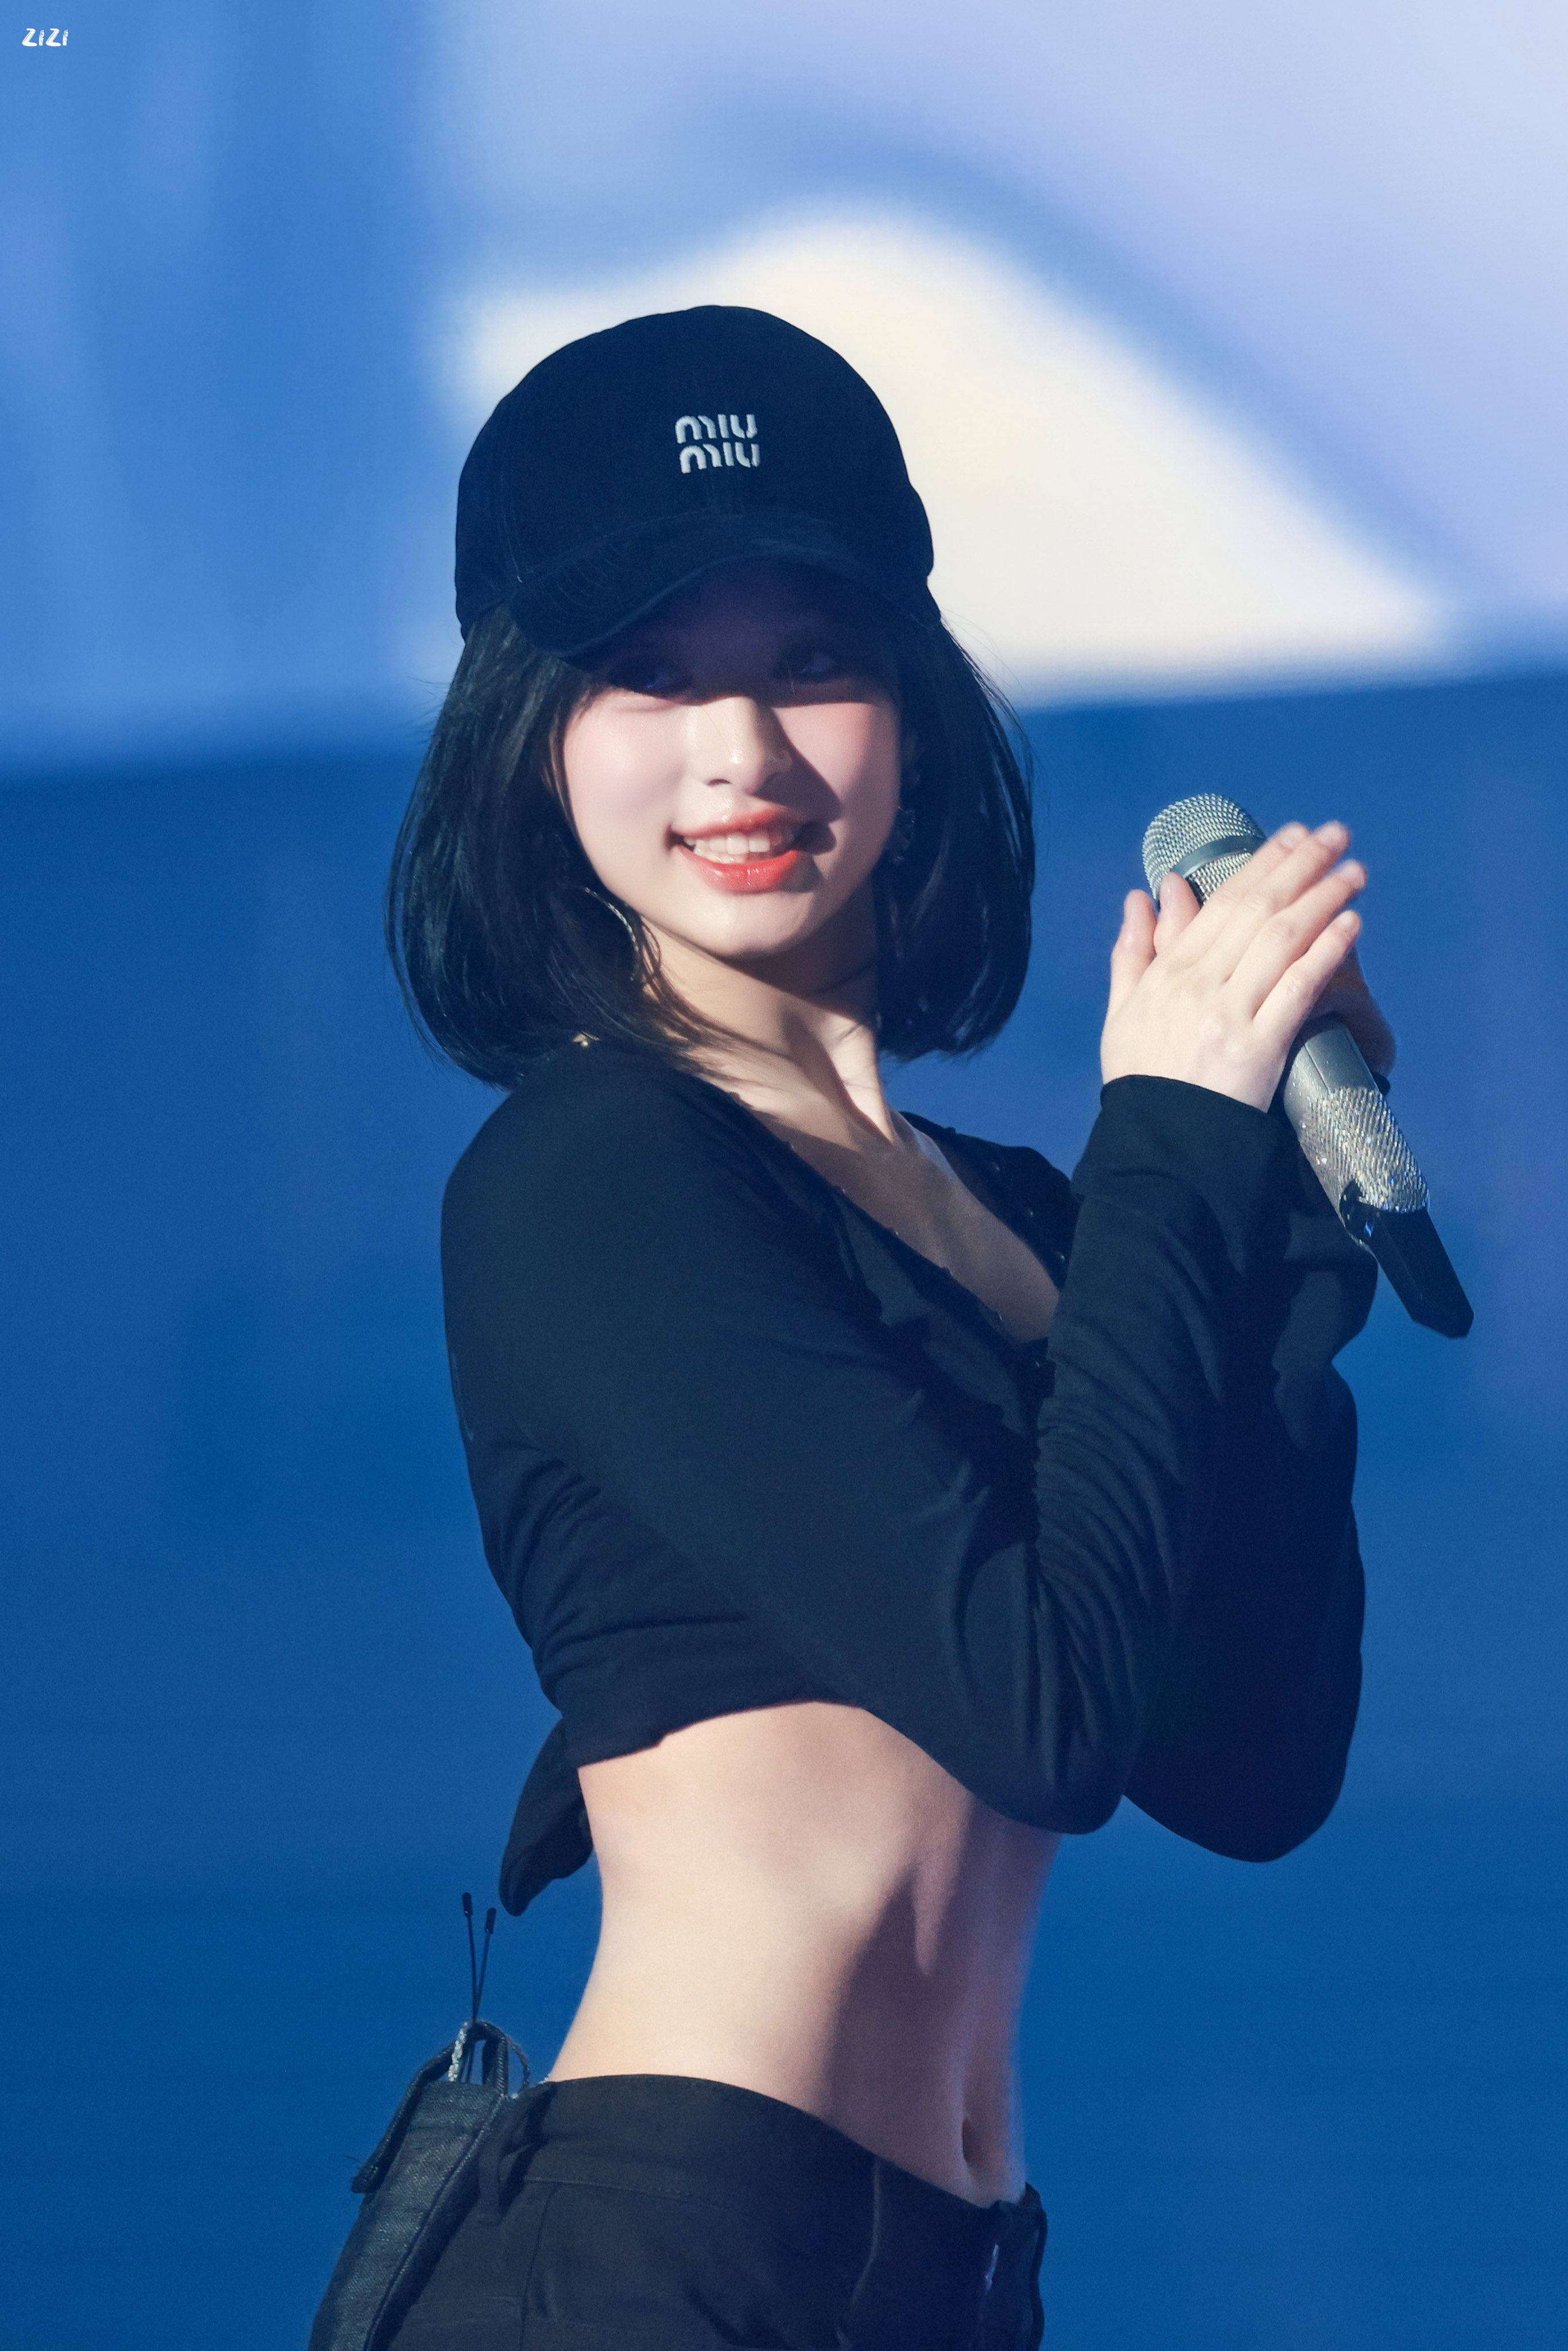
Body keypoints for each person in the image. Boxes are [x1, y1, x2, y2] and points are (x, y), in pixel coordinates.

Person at [382, 305, 1390, 2350]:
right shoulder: (594, 1176)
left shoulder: (1013, 1211)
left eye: (811, 663)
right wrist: (1170, 1142)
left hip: (948, 2271)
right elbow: (1043, 1712)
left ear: (914, 710)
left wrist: (1265, 1230)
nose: (740, 755)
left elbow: (1247, 1762)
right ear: (528, 736)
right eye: (650, 675)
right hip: (676, 2253)